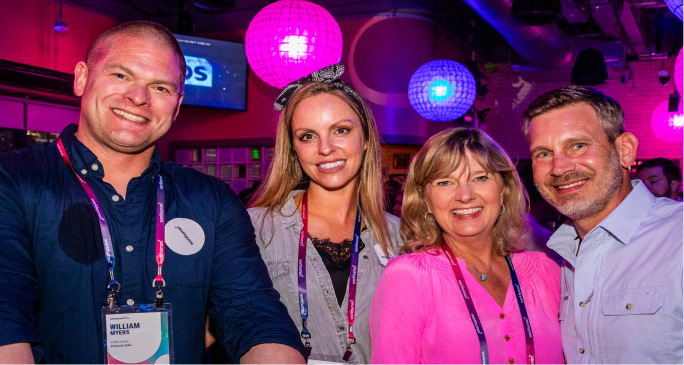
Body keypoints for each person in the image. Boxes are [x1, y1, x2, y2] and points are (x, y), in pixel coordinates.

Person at [0, 21, 305, 365]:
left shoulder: (211, 199)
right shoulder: (12, 181)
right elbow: (5, 322)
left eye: (160, 87)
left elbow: (254, 316)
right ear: (82, 78)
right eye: (121, 75)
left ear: (177, 105)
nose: (138, 97)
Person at [248, 64, 403, 365]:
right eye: (307, 136)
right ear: (293, 149)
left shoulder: (401, 237)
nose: (326, 148)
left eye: (341, 130)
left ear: (367, 138)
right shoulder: (256, 229)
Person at [370, 127, 562, 364]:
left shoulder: (548, 272)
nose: (464, 195)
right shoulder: (408, 277)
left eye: (480, 178)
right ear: (425, 200)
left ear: (504, 189)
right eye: (445, 182)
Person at [524, 85, 684, 364]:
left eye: (578, 145)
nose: (559, 167)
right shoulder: (559, 257)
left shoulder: (677, 235)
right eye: (543, 153)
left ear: (625, 150)